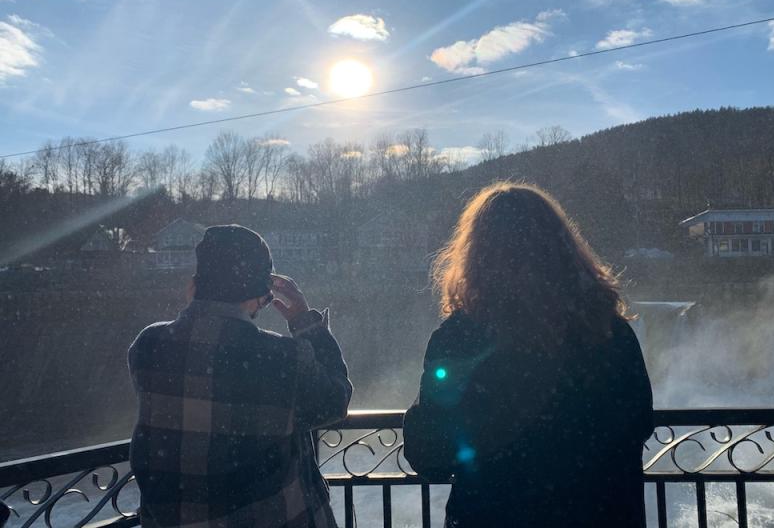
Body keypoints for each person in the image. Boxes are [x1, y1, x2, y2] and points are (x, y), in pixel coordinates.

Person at [403, 182, 653, 528]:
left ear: (477, 255)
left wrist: (420, 412)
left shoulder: (461, 338)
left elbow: (431, 456)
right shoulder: (607, 331)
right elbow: (638, 424)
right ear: (562, 248)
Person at [128, 224, 352, 528]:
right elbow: (335, 400)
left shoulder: (149, 345)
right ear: (263, 293)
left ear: (196, 283)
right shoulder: (280, 358)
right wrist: (306, 324)